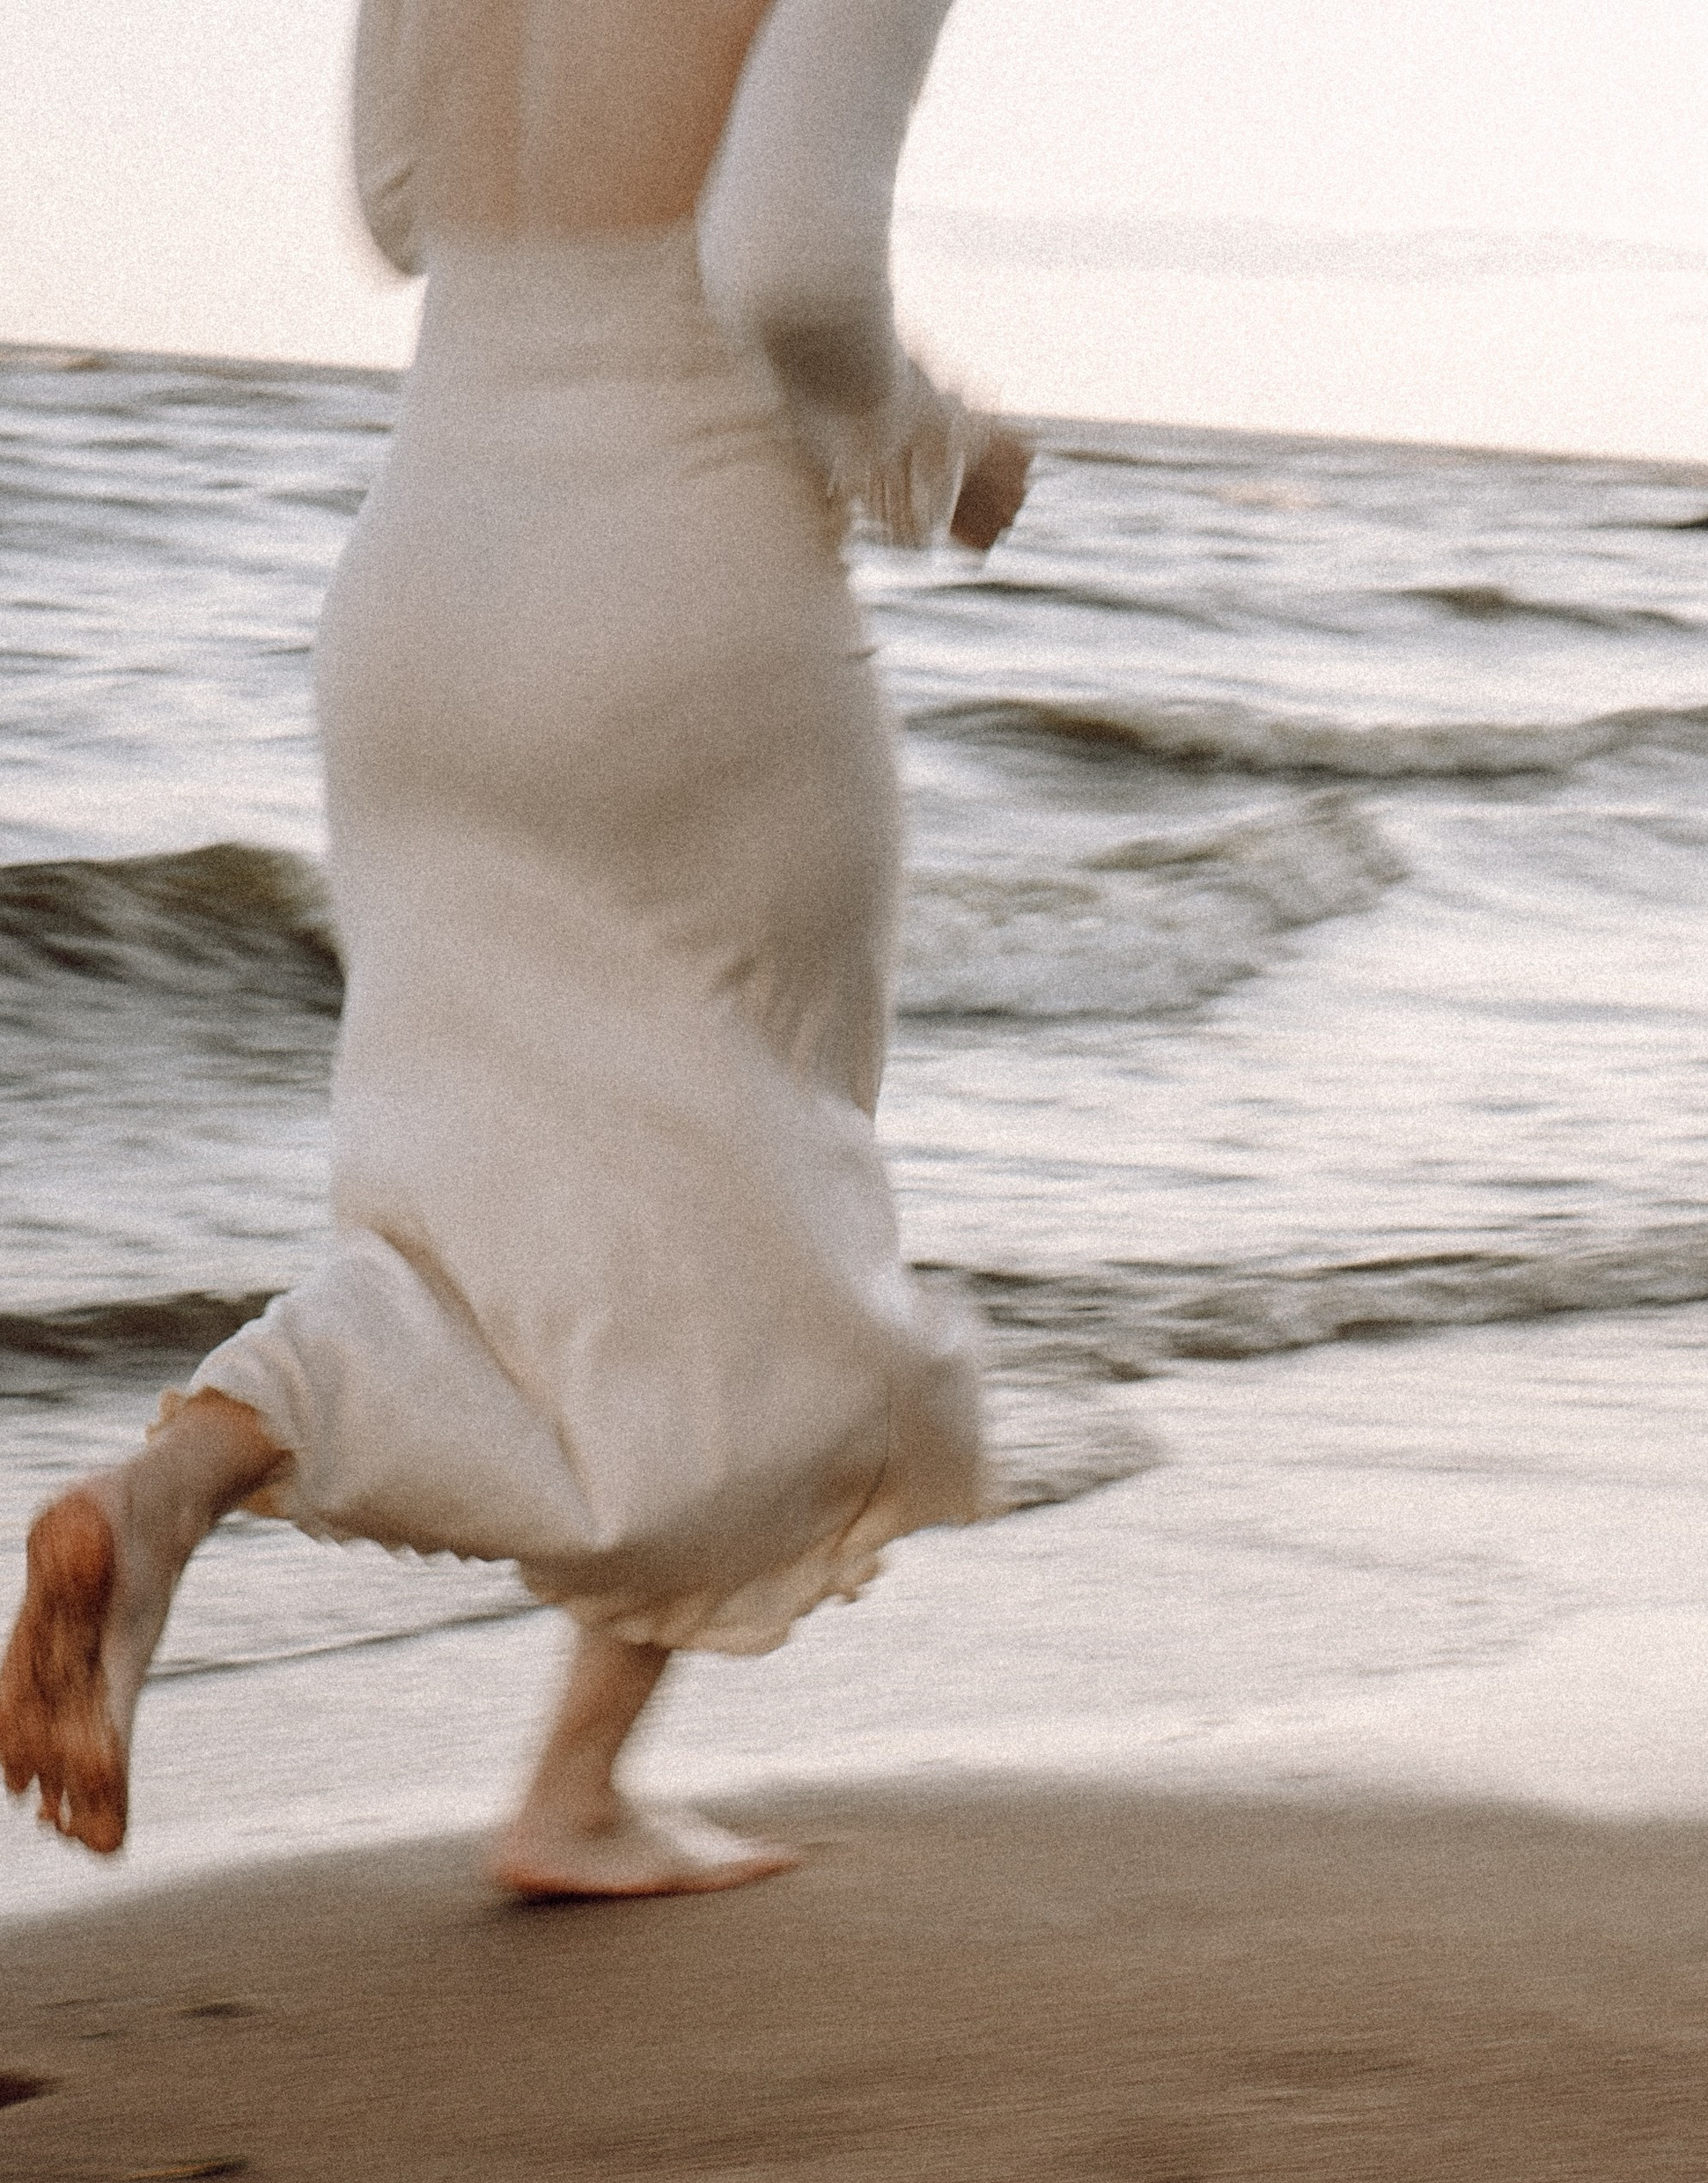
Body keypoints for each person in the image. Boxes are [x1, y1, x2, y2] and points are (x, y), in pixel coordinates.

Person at [0, 0, 1029, 1896]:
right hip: (682, 592)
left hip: (421, 595)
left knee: (477, 1205)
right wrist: (935, 457)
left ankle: (163, 1500)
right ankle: (570, 1788)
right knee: (753, 1180)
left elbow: (399, 207)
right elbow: (792, 267)